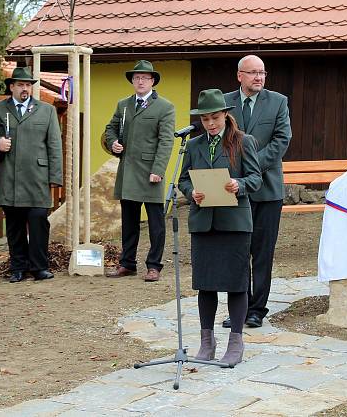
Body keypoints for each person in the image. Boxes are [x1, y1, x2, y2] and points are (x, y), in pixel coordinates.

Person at [178, 89, 262, 366]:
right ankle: (206, 341)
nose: (211, 124)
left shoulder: (243, 142)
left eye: (215, 117)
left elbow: (255, 179)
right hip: (204, 223)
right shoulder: (193, 146)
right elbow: (184, 180)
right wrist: (192, 193)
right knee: (206, 283)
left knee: (236, 284)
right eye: (205, 119)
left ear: (226, 115)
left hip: (234, 222)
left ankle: (236, 343)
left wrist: (239, 185)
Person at [221, 55, 291, 328]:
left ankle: (257, 310)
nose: (259, 78)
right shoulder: (225, 103)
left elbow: (281, 140)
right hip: (234, 190)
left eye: (262, 72)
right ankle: (238, 307)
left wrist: (251, 168)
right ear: (240, 76)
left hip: (267, 190)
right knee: (237, 251)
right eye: (252, 73)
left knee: (262, 252)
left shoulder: (278, 102)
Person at [0, 66, 63, 283]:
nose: (25, 89)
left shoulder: (47, 110)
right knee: (15, 225)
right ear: (12, 87)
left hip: (37, 176)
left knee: (38, 222)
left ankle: (39, 267)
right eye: (20, 85)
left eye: (28, 85)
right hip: (10, 176)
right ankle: (18, 267)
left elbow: (54, 145)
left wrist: (55, 177)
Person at [104, 60, 175, 282]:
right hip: (128, 172)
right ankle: (128, 263)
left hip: (150, 172)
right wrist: (113, 142)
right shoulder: (123, 105)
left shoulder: (165, 107)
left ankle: (154, 266)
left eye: (145, 77)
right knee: (129, 221)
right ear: (132, 81)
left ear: (153, 81)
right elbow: (110, 128)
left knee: (156, 223)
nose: (140, 81)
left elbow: (166, 142)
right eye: (136, 78)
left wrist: (158, 170)